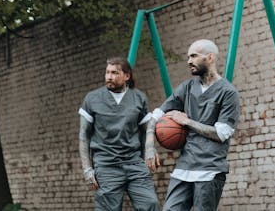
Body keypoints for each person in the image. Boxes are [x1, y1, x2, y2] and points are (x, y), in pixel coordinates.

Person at [145, 39, 240, 211]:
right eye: (188, 57)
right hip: (185, 167)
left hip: (210, 169)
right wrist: (149, 147)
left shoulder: (228, 93)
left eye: (194, 56)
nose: (189, 61)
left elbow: (221, 134)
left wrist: (187, 122)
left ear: (210, 57)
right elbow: (155, 116)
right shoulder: (186, 87)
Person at [78, 57, 160, 211]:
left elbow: (147, 130)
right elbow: (83, 136)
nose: (109, 76)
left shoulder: (138, 98)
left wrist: (150, 148)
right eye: (107, 72)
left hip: (135, 164)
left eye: (114, 73)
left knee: (151, 204)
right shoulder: (92, 99)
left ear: (126, 76)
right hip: (107, 166)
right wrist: (87, 169)